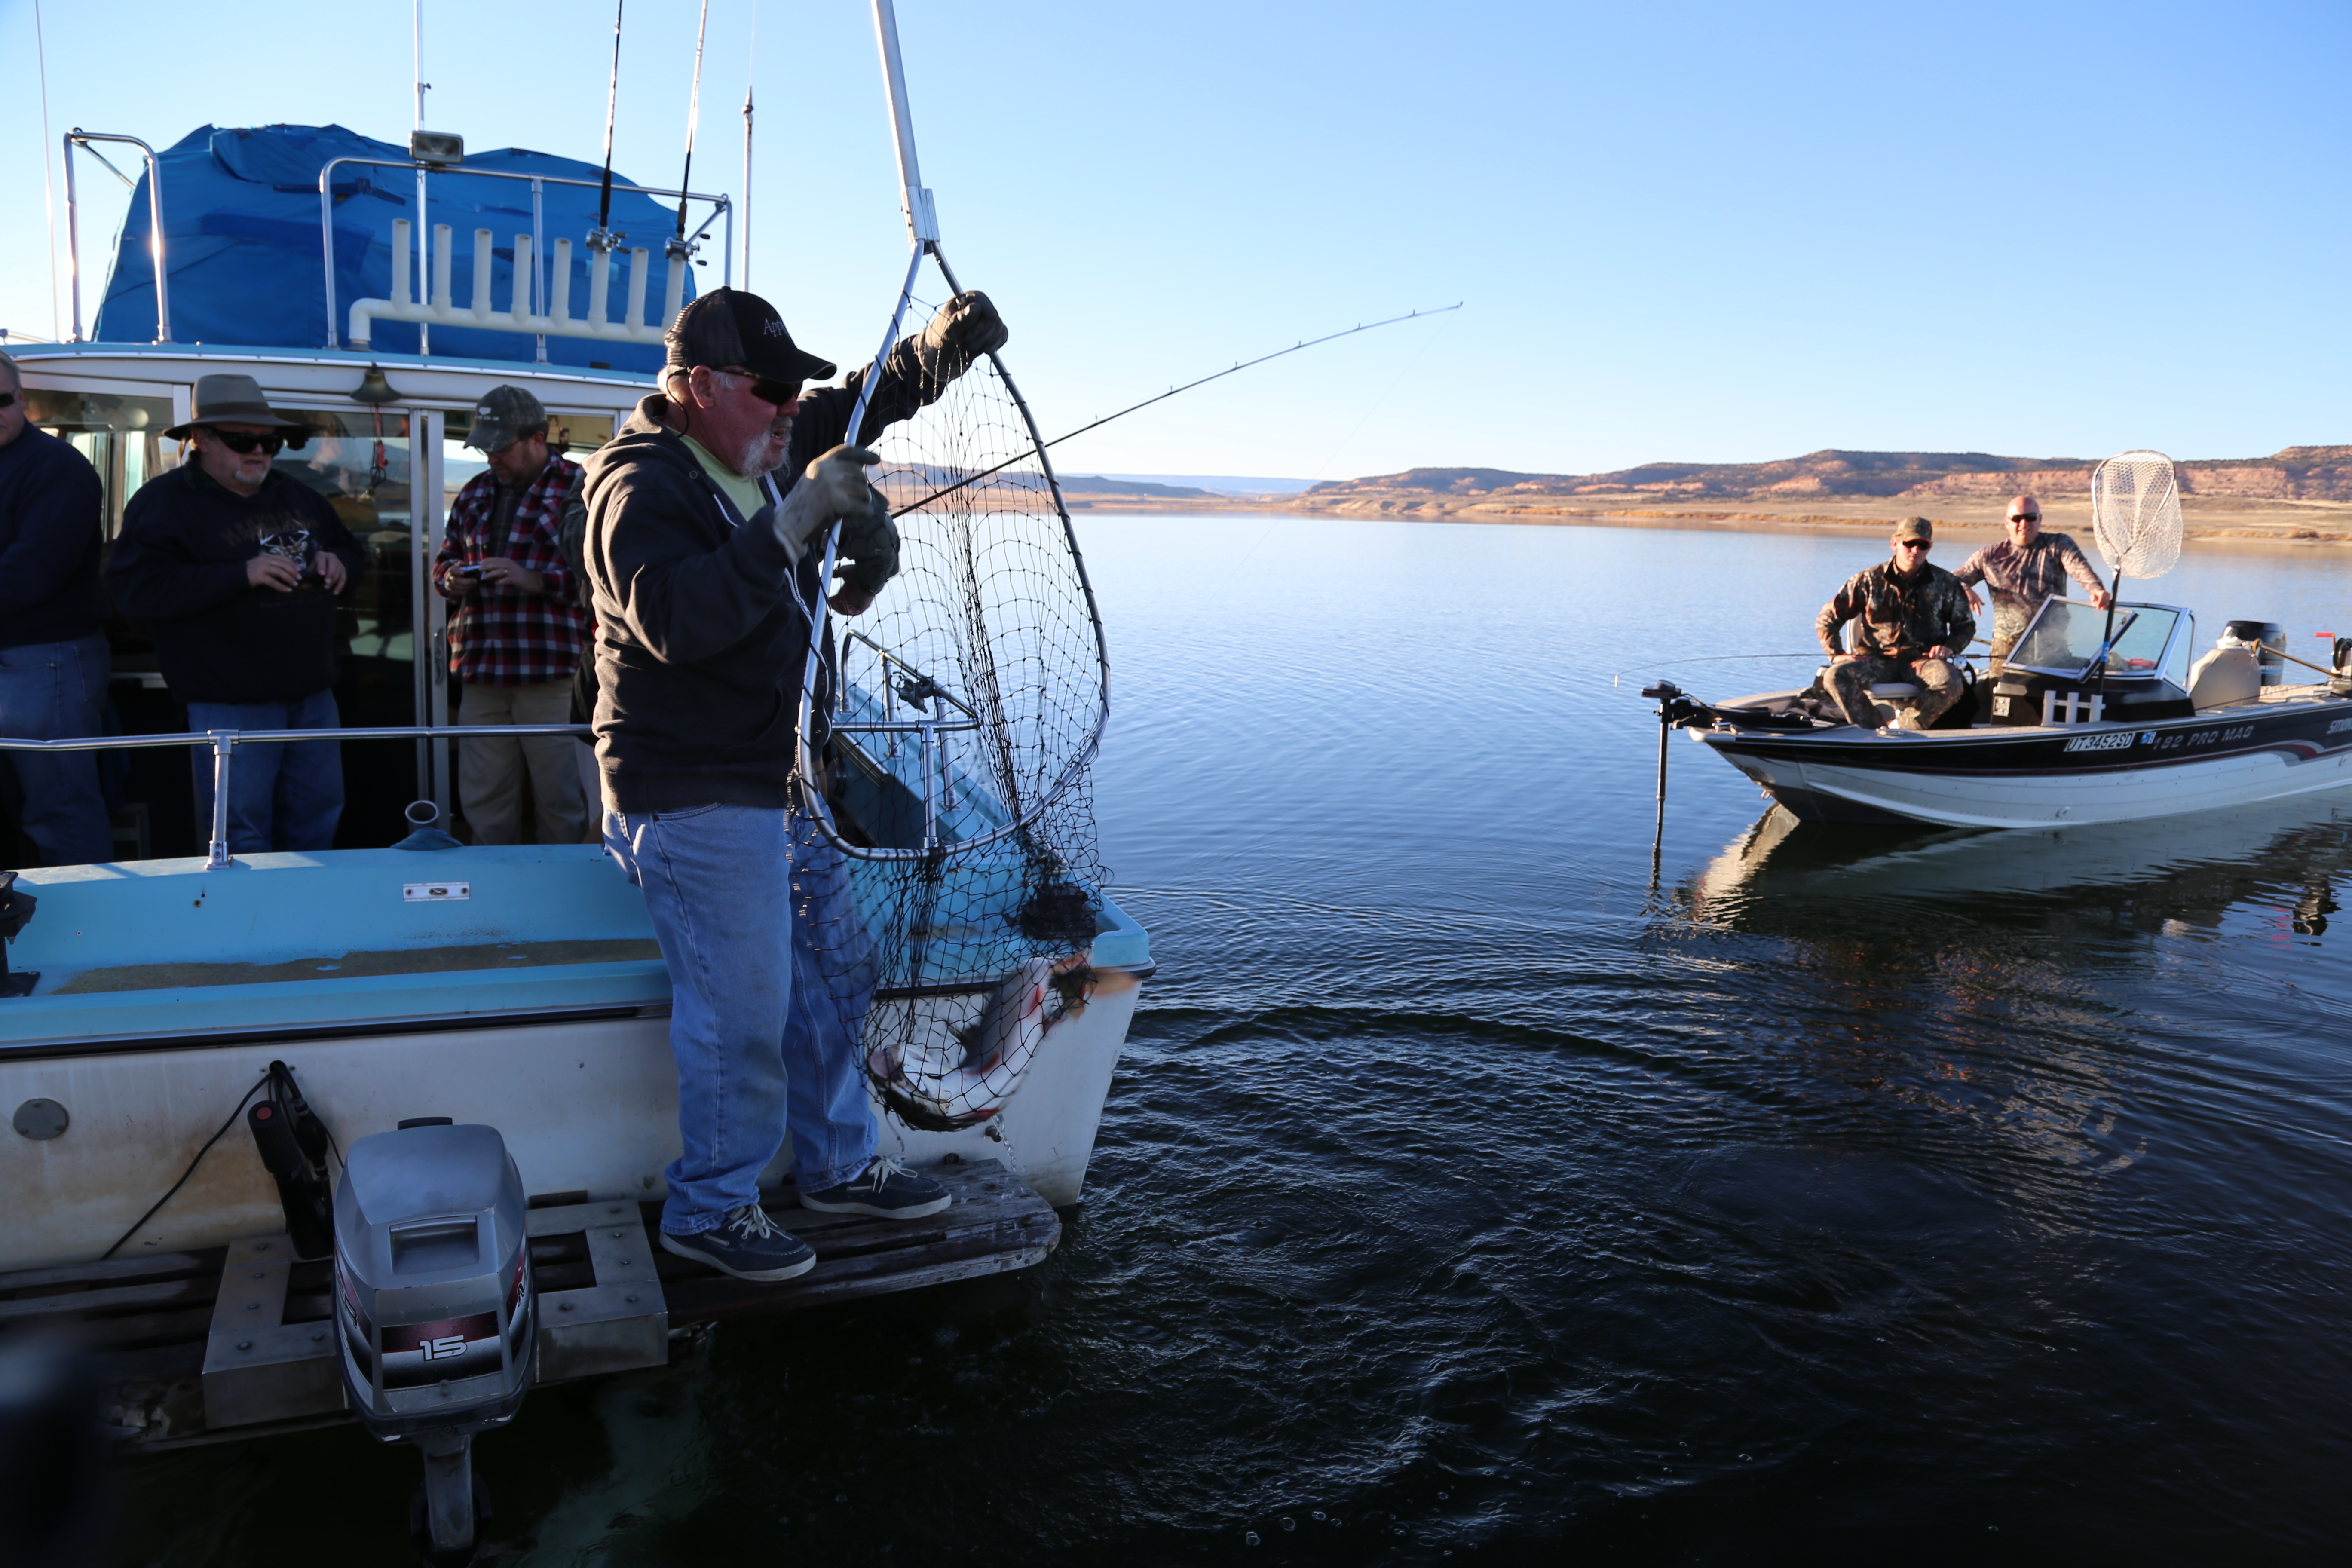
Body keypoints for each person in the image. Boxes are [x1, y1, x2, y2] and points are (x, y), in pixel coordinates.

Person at [584, 285, 1007, 1282]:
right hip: (689, 792)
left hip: (782, 784)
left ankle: (838, 1166)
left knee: (836, 974)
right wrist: (799, 518)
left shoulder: (768, 442)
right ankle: (712, 1207)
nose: (788, 408)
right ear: (696, 389)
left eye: (792, 392)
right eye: (770, 389)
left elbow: (869, 401)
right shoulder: (636, 484)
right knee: (742, 1009)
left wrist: (939, 351)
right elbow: (676, 619)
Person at [108, 374, 364, 852]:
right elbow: (135, 592)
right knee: (239, 836)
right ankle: (252, 928)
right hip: (230, 707)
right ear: (201, 440)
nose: (260, 451)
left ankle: (304, 924)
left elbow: (353, 551)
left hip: (313, 700)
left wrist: (340, 562)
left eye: (271, 441)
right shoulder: (163, 504)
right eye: (242, 439)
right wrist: (238, 575)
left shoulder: (298, 494)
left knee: (318, 822)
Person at [433, 385, 591, 845]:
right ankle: (492, 900)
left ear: (538, 439)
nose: (492, 458)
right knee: (483, 798)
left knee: (562, 799)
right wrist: (452, 579)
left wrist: (536, 580)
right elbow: (444, 559)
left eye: (500, 448)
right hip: (483, 673)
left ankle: (562, 897)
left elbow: (607, 578)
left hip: (553, 676)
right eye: (485, 448)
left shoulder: (583, 488)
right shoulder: (475, 492)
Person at [0, 349, 114, 867]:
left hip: (45, 664)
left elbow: (32, 573)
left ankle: (87, 934)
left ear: (22, 400)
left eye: (0, 400)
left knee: (60, 811)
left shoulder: (57, 469)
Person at [1815, 517, 1977, 731]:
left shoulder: (1946, 583)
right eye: (1909, 544)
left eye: (1923, 545)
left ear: (1930, 548)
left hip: (1924, 661)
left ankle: (1902, 729)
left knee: (1951, 682)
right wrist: (1836, 655)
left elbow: (1965, 625)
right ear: (1895, 544)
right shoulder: (1868, 581)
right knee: (1835, 676)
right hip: (1875, 660)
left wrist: (1949, 647)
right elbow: (1828, 619)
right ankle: (1870, 733)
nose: (1915, 550)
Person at [1953, 493, 2111, 671]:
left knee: (2052, 695)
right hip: (2007, 645)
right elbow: (1949, 581)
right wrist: (1964, 588)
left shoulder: (2058, 545)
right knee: (2000, 693)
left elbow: (2080, 569)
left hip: (2052, 646)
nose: (2024, 524)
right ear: (2007, 523)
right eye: (2017, 519)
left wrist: (2096, 590)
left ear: (2040, 520)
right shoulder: (1989, 556)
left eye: (2030, 518)